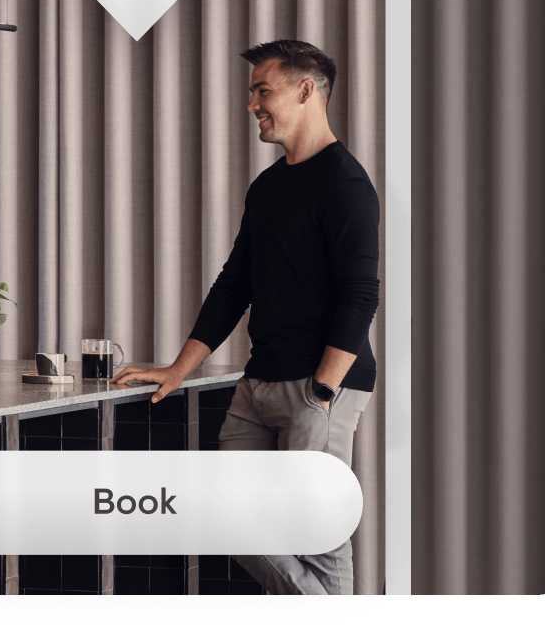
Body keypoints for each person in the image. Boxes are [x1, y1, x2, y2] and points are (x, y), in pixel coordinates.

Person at [112, 39, 379, 595]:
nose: (252, 103)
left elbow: (360, 296)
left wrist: (322, 393)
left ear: (306, 90)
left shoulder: (347, 185)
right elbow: (235, 284)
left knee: (318, 534)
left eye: (263, 90)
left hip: (317, 387)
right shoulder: (269, 186)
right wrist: (177, 369)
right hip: (257, 384)